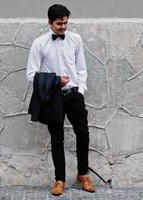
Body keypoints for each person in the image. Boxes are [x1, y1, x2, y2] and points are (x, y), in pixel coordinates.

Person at [26, 4, 95, 196]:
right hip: (53, 98)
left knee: (83, 134)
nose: (63, 27)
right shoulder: (39, 44)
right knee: (57, 139)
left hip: (74, 94)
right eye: (59, 24)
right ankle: (60, 180)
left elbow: (82, 68)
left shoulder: (75, 39)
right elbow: (31, 74)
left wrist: (80, 90)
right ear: (49, 23)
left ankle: (83, 174)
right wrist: (56, 81)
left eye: (65, 23)